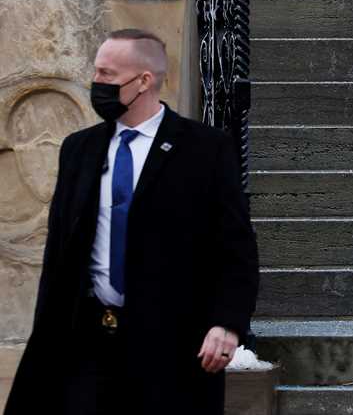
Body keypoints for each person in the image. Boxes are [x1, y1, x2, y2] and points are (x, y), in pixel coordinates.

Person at [5, 30, 259, 415]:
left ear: (144, 81)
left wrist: (227, 323)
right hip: (87, 338)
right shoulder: (80, 148)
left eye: (107, 74)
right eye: (97, 72)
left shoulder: (206, 148)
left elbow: (235, 246)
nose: (97, 83)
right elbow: (60, 249)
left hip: (170, 340)